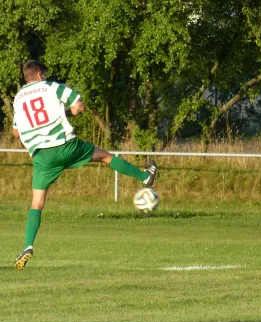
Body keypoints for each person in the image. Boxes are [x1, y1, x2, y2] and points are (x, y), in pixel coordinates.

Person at [12, 60, 158, 270]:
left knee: (37, 204)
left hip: (41, 156)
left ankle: (27, 246)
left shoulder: (17, 99)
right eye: (44, 73)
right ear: (39, 74)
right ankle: (145, 177)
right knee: (106, 157)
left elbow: (16, 132)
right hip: (65, 145)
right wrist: (66, 112)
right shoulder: (51, 87)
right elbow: (78, 106)